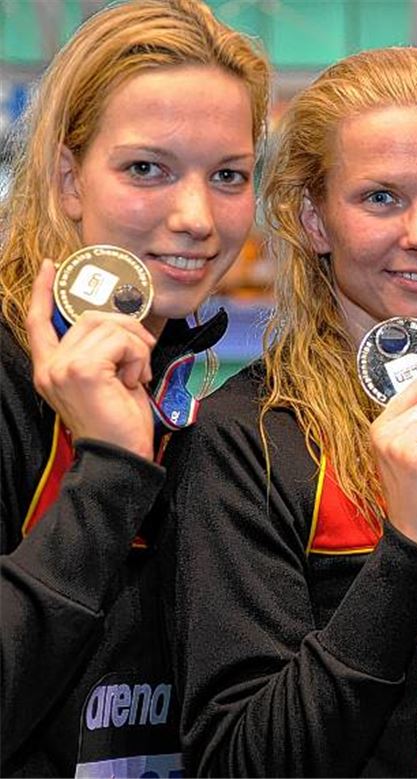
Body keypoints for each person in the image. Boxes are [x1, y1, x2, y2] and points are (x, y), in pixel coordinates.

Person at [163, 46, 417, 777]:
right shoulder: (244, 439)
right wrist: (406, 550)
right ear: (314, 219)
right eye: (381, 198)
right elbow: (242, 759)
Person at [0, 1, 269, 775]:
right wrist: (110, 471)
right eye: (147, 168)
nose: (196, 217)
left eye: (228, 175)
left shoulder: (193, 391)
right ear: (68, 178)